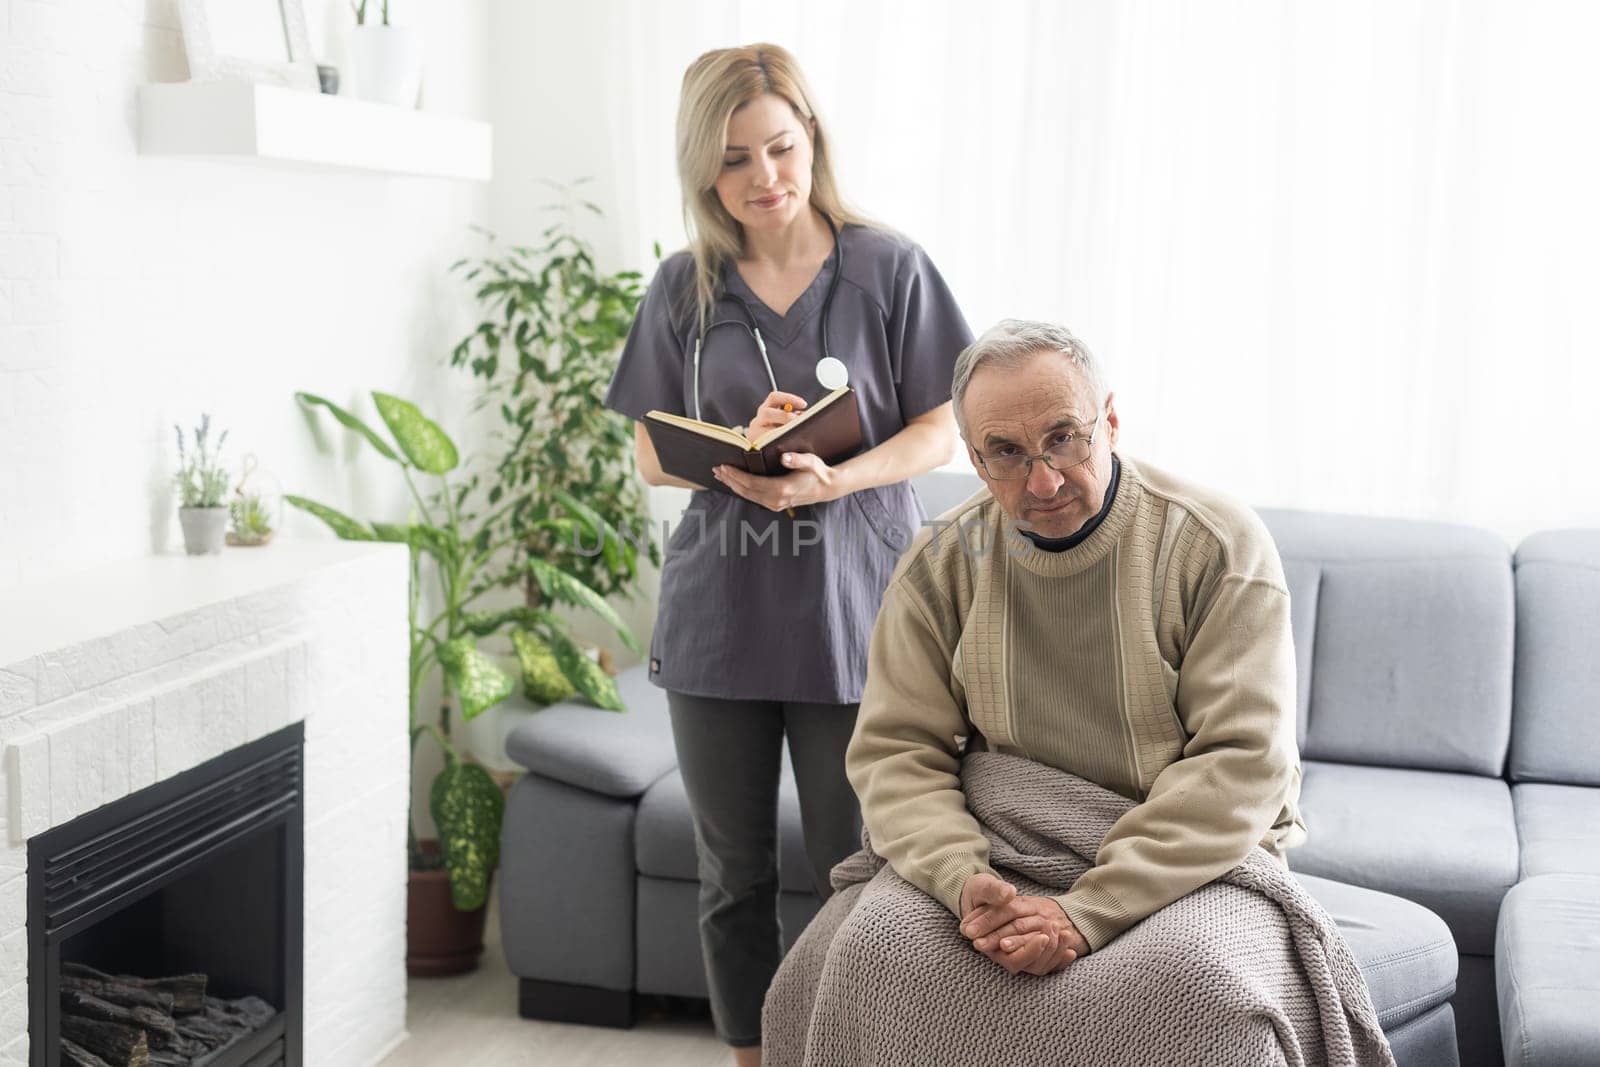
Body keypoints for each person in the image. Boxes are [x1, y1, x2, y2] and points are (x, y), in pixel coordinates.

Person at [602, 43, 971, 1064]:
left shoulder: (887, 267)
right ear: (702, 171)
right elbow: (646, 447)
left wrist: (835, 475)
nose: (764, 178)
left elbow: (943, 427)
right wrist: (735, 452)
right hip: (719, 617)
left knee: (861, 864)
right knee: (733, 873)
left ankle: (851, 1047)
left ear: (812, 137)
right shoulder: (685, 286)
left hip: (852, 615)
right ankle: (752, 1053)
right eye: (733, 160)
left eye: (779, 147)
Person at [845, 318, 1307, 978]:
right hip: (1001, 839)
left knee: (1200, 982)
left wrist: (1089, 909)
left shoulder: (1217, 544)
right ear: (974, 461)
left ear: (1111, 422)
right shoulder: (940, 563)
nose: (1044, 482)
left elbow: (1243, 761)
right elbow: (897, 751)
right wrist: (960, 878)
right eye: (1005, 452)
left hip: (1187, 848)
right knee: (872, 952)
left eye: (1064, 439)